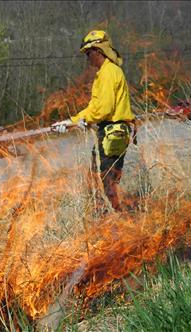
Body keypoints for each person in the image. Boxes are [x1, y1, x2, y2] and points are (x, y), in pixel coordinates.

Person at [52, 30, 135, 212]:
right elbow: (95, 107)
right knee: (105, 178)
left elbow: (103, 109)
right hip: (112, 131)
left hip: (112, 132)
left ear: (99, 50)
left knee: (108, 182)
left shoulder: (108, 73)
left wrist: (80, 120)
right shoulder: (108, 72)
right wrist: (72, 121)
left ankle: (122, 220)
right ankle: (116, 214)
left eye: (89, 53)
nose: (87, 58)